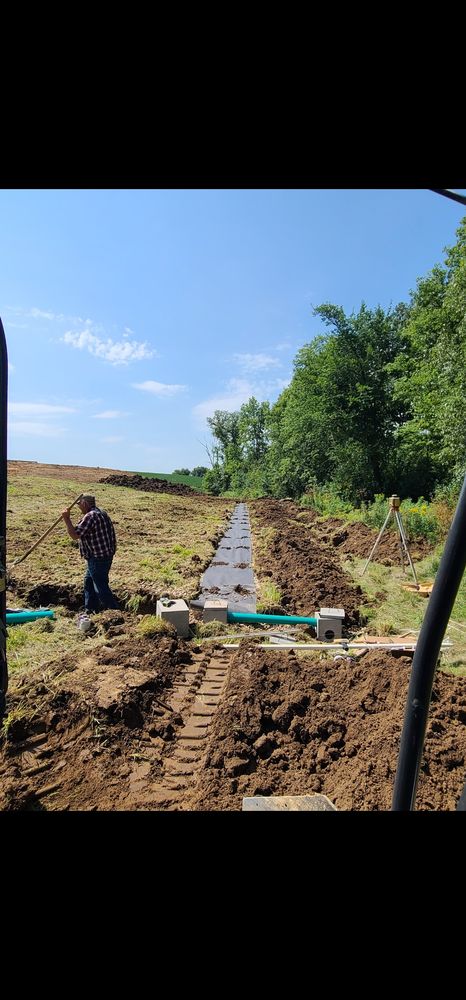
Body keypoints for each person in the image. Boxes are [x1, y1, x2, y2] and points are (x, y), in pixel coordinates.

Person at [61, 494, 119, 613]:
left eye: (79, 504)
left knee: (100, 587)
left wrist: (66, 518)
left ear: (85, 503)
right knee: (89, 582)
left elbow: (74, 535)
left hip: (97, 557)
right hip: (105, 555)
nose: (78, 507)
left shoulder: (90, 516)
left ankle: (115, 611)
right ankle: (90, 610)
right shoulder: (101, 513)